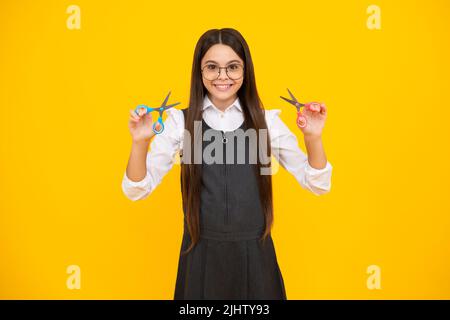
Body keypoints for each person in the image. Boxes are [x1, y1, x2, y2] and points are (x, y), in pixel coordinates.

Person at [122, 28, 333, 299]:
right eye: (212, 67)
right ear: (200, 72)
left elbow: (317, 183)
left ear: (246, 72)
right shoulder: (178, 123)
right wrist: (140, 142)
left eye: (233, 67)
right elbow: (137, 189)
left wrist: (313, 137)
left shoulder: (266, 122)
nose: (223, 77)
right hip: (200, 257)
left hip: (256, 260)